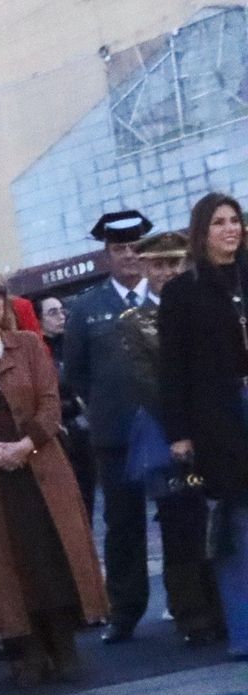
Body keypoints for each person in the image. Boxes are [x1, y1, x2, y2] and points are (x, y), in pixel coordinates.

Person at [0, 270, 108, 686]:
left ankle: (63, 646)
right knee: (5, 560)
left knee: (52, 554)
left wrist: (24, 445)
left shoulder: (29, 345)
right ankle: (28, 650)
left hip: (40, 470)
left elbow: (51, 404)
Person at [65, 210, 212, 645]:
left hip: (173, 434)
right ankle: (125, 612)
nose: (129, 256)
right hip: (117, 437)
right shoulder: (87, 308)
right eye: (119, 249)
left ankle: (191, 609)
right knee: (122, 523)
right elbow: (76, 373)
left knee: (180, 518)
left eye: (136, 248)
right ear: (106, 255)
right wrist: (102, 412)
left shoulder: (172, 296)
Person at [119, 231, 223, 643]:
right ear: (145, 267)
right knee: (179, 523)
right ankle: (191, 614)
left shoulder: (203, 304)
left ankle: (224, 607)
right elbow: (148, 384)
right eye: (159, 264)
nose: (167, 272)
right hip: (167, 435)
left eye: (175, 263)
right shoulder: (133, 322)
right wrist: (186, 427)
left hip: (214, 429)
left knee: (217, 521)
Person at [159, 193, 248, 657]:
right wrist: (179, 433)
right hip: (219, 416)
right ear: (202, 230)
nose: (230, 229)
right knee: (234, 526)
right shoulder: (182, 292)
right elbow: (171, 371)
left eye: (235, 220)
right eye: (219, 222)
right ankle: (243, 630)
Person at [39, 295, 97, 519]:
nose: (61, 317)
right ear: (39, 319)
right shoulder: (41, 351)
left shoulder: (73, 344)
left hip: (82, 428)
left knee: (87, 493)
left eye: (62, 311)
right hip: (58, 430)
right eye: (53, 313)